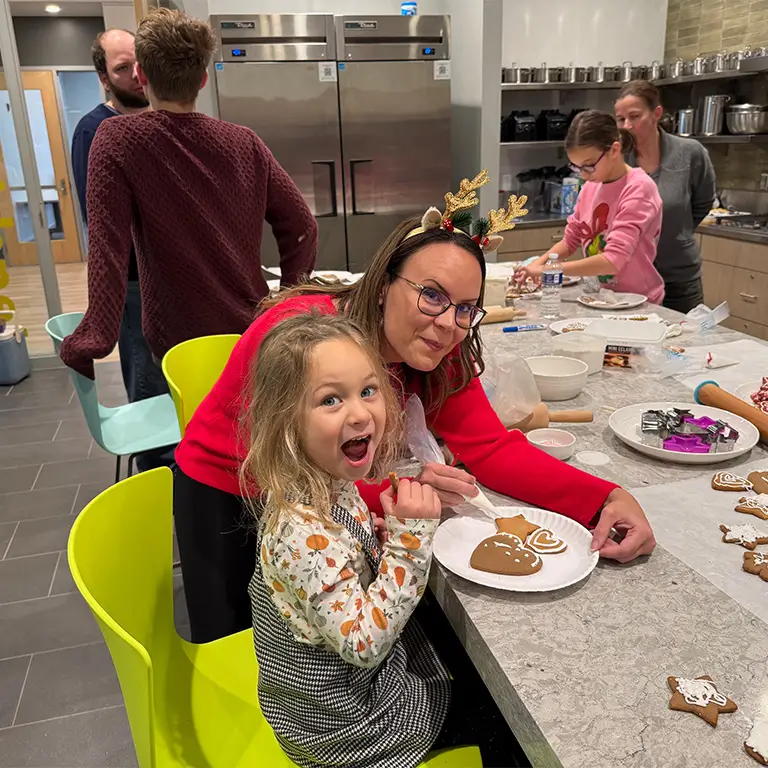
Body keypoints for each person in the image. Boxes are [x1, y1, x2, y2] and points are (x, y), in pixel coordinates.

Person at [173, 177, 657, 645]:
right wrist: (396, 490)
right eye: (432, 295)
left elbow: (489, 448)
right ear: (383, 285)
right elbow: (287, 461)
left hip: (332, 507)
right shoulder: (305, 337)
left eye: (465, 308)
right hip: (234, 490)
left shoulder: (439, 355)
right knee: (245, 655)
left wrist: (602, 496)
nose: (448, 324)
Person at [60, 9, 317, 379]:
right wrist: (287, 305)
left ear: (141, 75)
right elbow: (302, 226)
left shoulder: (116, 139)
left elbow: (107, 248)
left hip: (177, 343)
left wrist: (94, 337)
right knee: (249, 430)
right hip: (248, 333)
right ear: (203, 79)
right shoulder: (245, 142)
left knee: (191, 430)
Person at [514, 110, 665, 304]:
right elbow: (571, 240)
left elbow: (612, 261)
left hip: (638, 301)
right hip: (601, 297)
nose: (583, 175)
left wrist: (550, 269)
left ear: (614, 150)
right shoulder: (591, 185)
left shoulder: (639, 188)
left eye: (589, 166)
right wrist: (538, 263)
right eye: (577, 167)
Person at [615, 80, 716, 314]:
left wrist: (677, 234)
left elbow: (702, 203)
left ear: (656, 113)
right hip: (629, 281)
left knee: (686, 344)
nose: (627, 125)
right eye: (621, 119)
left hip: (679, 276)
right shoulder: (616, 159)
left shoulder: (690, 153)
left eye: (635, 116)